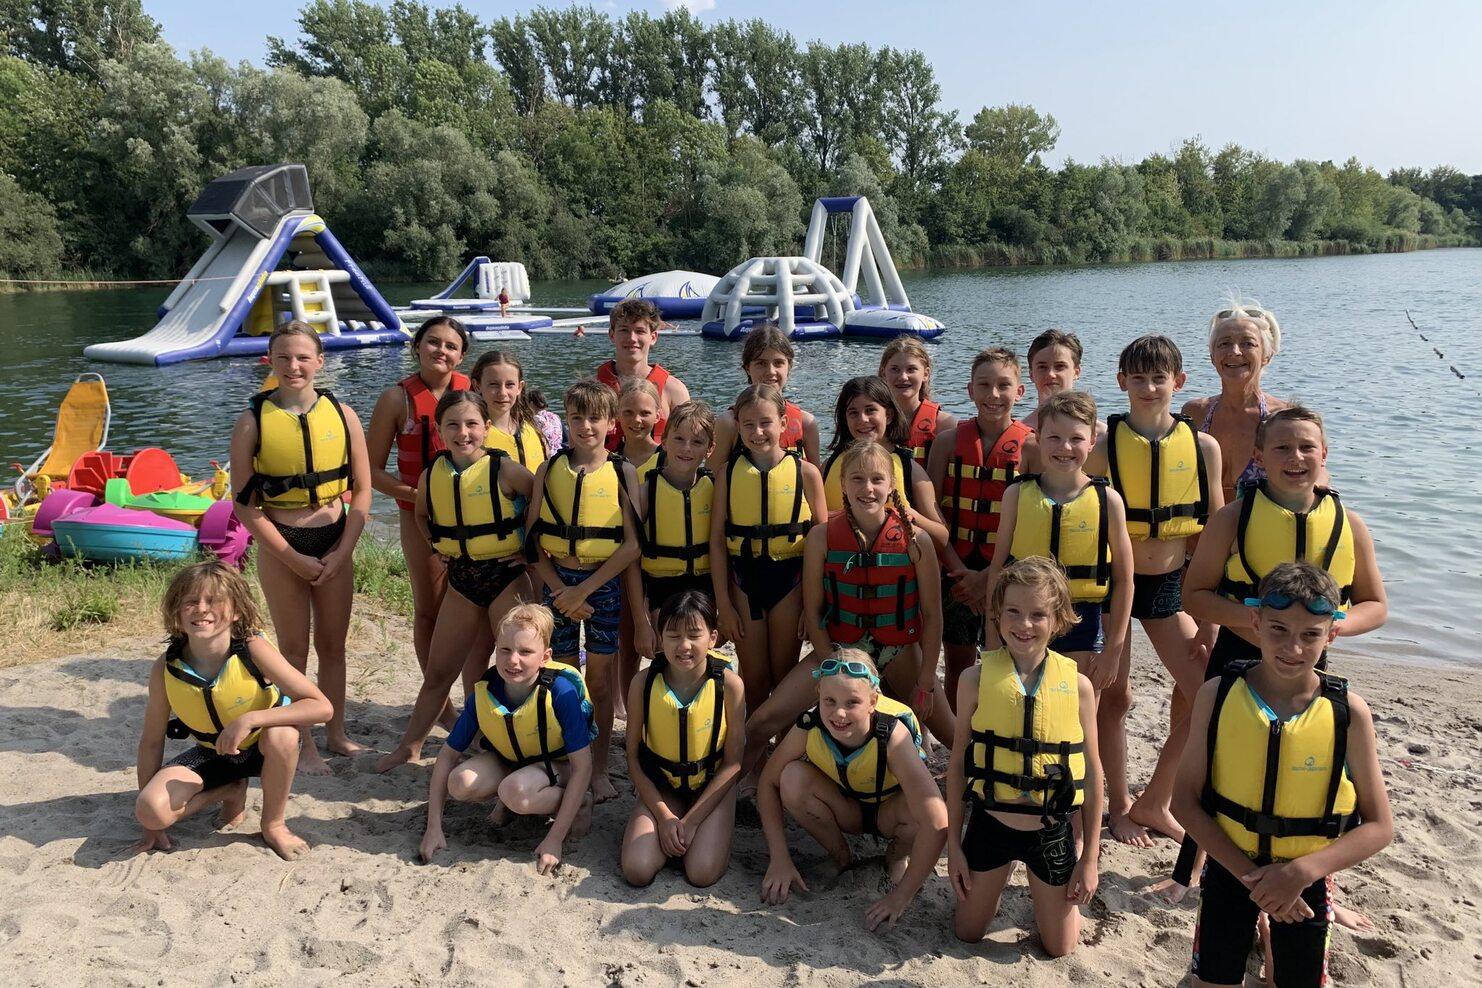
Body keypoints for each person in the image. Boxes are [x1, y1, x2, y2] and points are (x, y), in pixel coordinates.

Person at [1163, 405, 1388, 903]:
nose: (1295, 457)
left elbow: (1375, 604)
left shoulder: (1348, 522)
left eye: (1307, 447)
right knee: (1218, 763)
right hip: (1238, 654)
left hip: (1308, 659)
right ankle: (1186, 873)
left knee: (1310, 776)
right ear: (1259, 457)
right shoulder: (1235, 516)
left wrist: (1326, 627)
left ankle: (1314, 881)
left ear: (1324, 454)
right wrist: (1263, 624)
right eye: (1282, 447)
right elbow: (1194, 594)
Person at [1172, 562, 1392, 988]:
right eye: (1278, 630)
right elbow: (1184, 800)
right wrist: (1252, 879)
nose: (1293, 647)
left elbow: (1380, 827)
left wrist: (1300, 873)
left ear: (1332, 633)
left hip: (1304, 880)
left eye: (1310, 634)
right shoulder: (1217, 695)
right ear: (1255, 621)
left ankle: (1272, 945)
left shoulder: (1349, 714)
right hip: (1231, 867)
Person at [1085, 334, 1224, 846]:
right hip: (1110, 589)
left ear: (1178, 383)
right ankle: (1119, 806)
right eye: (1138, 378)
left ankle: (1155, 799)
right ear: (1121, 383)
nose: (1148, 387)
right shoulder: (1101, 450)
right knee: (1112, 699)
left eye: (1158, 377)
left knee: (1208, 691)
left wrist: (1210, 618)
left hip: (1169, 586)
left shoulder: (1201, 447)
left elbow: (1212, 533)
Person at [744, 439, 950, 773]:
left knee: (953, 734)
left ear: (891, 485)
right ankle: (728, 794)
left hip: (898, 652)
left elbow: (932, 615)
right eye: (856, 479)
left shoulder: (917, 541)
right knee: (761, 723)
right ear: (842, 484)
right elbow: (813, 612)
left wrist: (926, 679)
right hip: (839, 650)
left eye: (876, 480)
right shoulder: (822, 537)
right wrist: (831, 670)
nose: (867, 488)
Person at [230, 321, 372, 774]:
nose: (294, 366)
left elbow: (364, 492)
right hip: (282, 547)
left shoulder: (344, 415)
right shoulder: (252, 421)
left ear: (319, 362)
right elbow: (245, 507)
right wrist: (291, 557)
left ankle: (336, 733)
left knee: (334, 646)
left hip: (334, 541)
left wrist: (342, 552)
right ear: (269, 361)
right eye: (284, 357)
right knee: (293, 650)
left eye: (303, 357)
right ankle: (303, 743)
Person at [947, 557, 1103, 957]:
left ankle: (1044, 896)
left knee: (1060, 949)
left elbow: (1094, 774)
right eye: (1013, 612)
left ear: (1058, 620)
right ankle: (998, 885)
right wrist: (954, 846)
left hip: (1049, 830)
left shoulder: (1079, 687)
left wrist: (1089, 860)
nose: (1024, 624)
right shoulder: (975, 680)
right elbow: (958, 766)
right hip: (989, 825)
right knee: (967, 933)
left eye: (1038, 614)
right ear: (997, 614)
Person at [376, 391, 535, 773]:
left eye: (471, 424)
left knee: (519, 669)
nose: (463, 433)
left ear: (485, 427)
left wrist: (529, 550)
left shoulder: (506, 470)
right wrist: (438, 546)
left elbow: (544, 501)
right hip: (462, 578)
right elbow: (421, 516)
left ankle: (526, 746)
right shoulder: (434, 474)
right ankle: (410, 746)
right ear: (440, 432)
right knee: (439, 671)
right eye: (453, 425)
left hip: (506, 577)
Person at [134, 561, 333, 860]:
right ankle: (230, 789)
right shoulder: (165, 668)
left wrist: (251, 719)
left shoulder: (253, 650)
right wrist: (148, 824)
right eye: (190, 602)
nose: (201, 609)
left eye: (213, 601)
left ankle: (273, 824)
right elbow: (151, 741)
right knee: (150, 811)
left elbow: (322, 707)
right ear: (177, 612)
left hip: (262, 748)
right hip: (213, 753)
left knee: (282, 735)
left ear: (236, 611)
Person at [758, 651, 948, 932]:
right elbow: (768, 783)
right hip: (846, 807)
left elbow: (938, 822)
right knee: (791, 777)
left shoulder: (893, 736)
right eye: (829, 701)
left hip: (890, 813)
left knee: (917, 810)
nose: (839, 713)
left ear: (873, 701)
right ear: (818, 694)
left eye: (852, 702)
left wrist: (900, 898)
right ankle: (840, 856)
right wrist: (779, 858)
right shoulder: (810, 725)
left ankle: (895, 859)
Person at [529, 379, 643, 802]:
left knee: (598, 678)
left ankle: (597, 768)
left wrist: (585, 591)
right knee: (559, 675)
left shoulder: (622, 472)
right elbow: (533, 545)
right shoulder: (548, 470)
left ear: (611, 422)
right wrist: (561, 589)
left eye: (595, 418)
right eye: (576, 417)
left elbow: (631, 545)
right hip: (558, 586)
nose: (585, 426)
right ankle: (564, 759)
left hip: (602, 586)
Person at [418, 604, 595, 875]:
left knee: (515, 793)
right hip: (511, 761)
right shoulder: (485, 692)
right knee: (459, 782)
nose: (513, 660)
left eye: (525, 652)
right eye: (505, 650)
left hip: (558, 766)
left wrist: (554, 839)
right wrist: (434, 828)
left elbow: (583, 766)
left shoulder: (561, 693)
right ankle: (509, 799)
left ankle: (580, 802)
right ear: (496, 650)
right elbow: (446, 757)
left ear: (545, 657)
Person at [985, 391, 1134, 695]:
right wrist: (990, 635)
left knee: (1077, 714)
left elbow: (1125, 581)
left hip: (1083, 623)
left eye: (1076, 439)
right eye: (1054, 438)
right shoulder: (1016, 495)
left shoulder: (1109, 501)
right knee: (1022, 707)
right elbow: (998, 568)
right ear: (1038, 438)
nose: (1065, 448)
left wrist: (1113, 651)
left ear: (1092, 441)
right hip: (1021, 619)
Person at [366, 317, 471, 730]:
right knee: (430, 609)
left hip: (472, 516)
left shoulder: (474, 391)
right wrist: (415, 496)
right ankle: (440, 703)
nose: (440, 351)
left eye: (450, 345)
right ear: (417, 345)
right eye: (433, 342)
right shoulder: (397, 400)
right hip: (419, 516)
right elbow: (372, 471)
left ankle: (473, 698)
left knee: (469, 611)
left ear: (462, 355)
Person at [710, 384, 828, 721]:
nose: (757, 432)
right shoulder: (727, 474)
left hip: (790, 582)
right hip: (744, 581)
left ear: (782, 423)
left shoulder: (807, 473)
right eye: (748, 424)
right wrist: (724, 605)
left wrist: (812, 604)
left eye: (765, 423)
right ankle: (756, 759)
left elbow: (822, 542)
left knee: (784, 674)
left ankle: (782, 751)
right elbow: (717, 542)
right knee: (756, 679)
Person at [927, 347, 1033, 711]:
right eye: (984, 385)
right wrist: (959, 571)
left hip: (1005, 572)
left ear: (1020, 392)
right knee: (958, 662)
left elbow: (1031, 520)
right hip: (954, 571)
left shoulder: (1031, 447)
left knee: (1005, 660)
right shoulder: (946, 442)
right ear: (970, 390)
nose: (993, 395)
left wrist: (990, 576)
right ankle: (959, 739)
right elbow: (932, 511)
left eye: (1004, 385)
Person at [621, 591, 746, 888]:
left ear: (713, 638)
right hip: (664, 788)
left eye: (694, 634)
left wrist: (691, 822)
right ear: (660, 637)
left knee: (701, 874)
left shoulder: (730, 686)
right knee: (637, 870)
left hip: (711, 788)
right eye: (673, 635)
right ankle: (668, 827)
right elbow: (633, 758)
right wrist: (664, 817)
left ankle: (703, 831)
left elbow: (733, 765)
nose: (684, 645)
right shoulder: (643, 683)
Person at [1181, 298, 1292, 505]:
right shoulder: (1195, 414)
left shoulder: (1283, 417)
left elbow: (1316, 473)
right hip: (1200, 536)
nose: (1235, 351)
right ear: (1212, 356)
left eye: (1248, 343)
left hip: (1258, 535)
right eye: (1224, 343)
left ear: (1267, 355)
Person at [632, 400, 717, 662]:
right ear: (664, 440)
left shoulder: (715, 489)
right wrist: (641, 622)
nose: (687, 448)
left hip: (706, 584)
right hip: (661, 586)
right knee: (668, 658)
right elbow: (632, 559)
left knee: (701, 659)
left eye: (697, 442)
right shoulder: (646, 492)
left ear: (709, 449)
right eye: (679, 439)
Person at [819, 376, 949, 548]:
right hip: (840, 570)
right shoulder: (829, 466)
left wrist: (907, 514)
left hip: (894, 568)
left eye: (870, 410)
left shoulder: (910, 469)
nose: (863, 419)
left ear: (888, 415)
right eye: (853, 413)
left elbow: (942, 537)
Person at [710, 323, 820, 468]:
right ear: (747, 368)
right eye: (761, 363)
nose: (771, 371)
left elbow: (816, 481)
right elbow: (710, 480)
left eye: (778, 363)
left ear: (789, 366)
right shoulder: (728, 423)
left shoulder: (806, 423)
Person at [595, 298, 690, 451]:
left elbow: (688, 448)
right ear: (612, 335)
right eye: (624, 330)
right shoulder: (594, 387)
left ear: (653, 337)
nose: (632, 338)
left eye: (639, 331)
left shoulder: (674, 390)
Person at [880, 334, 956, 470]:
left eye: (911, 369)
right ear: (883, 373)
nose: (903, 377)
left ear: (925, 374)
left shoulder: (944, 425)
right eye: (895, 369)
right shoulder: (869, 420)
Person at [1021, 329, 1107, 441]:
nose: (1051, 374)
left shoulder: (1102, 435)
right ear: (1031, 374)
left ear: (1076, 372)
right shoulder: (1020, 433)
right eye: (1042, 367)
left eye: (1060, 366)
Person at [475, 349, 547, 470]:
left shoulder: (532, 429)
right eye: (493, 384)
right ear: (477, 386)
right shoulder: (471, 437)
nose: (502, 393)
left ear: (520, 387)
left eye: (509, 385)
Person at [616, 377, 662, 470]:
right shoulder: (609, 461)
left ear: (657, 416)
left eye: (645, 413)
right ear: (617, 414)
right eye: (628, 412)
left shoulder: (669, 459)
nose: (637, 419)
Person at [526, 386, 565, 458]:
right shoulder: (554, 416)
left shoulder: (534, 420)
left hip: (546, 457)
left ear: (531, 404)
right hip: (559, 454)